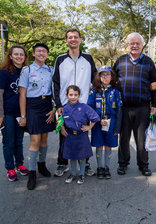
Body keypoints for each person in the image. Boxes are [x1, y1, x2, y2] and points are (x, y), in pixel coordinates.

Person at [52, 28, 97, 177]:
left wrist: (92, 100)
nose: (73, 39)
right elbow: (55, 83)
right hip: (64, 106)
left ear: (80, 40)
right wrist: (58, 104)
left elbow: (95, 80)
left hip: (83, 106)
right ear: (66, 41)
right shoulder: (60, 59)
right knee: (63, 133)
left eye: (75, 37)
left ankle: (85, 163)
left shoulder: (89, 58)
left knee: (83, 135)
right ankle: (62, 163)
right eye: (70, 37)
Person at [113, 32, 156, 176]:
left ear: (142, 45)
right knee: (124, 138)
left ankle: (143, 165)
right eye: (132, 43)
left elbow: (154, 85)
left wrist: (154, 104)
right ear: (127, 45)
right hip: (124, 107)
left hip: (142, 107)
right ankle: (123, 164)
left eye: (137, 43)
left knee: (141, 139)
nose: (134, 46)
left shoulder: (148, 62)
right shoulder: (120, 61)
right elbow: (112, 81)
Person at [19, 43, 56, 190]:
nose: (41, 53)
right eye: (38, 51)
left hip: (47, 104)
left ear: (47, 54)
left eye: (44, 51)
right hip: (32, 106)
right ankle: (32, 172)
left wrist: (54, 108)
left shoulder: (51, 70)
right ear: (33, 54)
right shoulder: (26, 70)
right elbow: (22, 94)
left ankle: (42, 165)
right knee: (35, 139)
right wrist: (23, 115)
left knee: (45, 138)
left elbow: (55, 90)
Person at [0, 45, 29, 181]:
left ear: (25, 57)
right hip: (7, 113)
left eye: (21, 54)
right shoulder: (3, 72)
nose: (19, 57)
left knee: (19, 141)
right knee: (9, 142)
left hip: (20, 113)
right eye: (16, 54)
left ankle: (19, 164)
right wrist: (0, 115)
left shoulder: (25, 72)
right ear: (10, 56)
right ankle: (10, 168)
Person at [87, 65, 122, 179]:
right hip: (98, 123)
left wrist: (117, 127)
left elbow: (119, 110)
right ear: (99, 77)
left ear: (111, 76)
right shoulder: (94, 91)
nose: (105, 77)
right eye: (103, 75)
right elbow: (90, 107)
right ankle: (99, 167)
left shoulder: (115, 91)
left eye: (108, 74)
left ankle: (106, 167)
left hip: (111, 123)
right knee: (99, 145)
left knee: (108, 145)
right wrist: (98, 119)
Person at [61, 85, 100, 184]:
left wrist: (89, 127)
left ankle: (82, 174)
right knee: (72, 156)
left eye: (75, 95)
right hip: (70, 135)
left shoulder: (84, 107)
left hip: (81, 135)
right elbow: (60, 120)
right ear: (67, 95)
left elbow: (95, 117)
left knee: (82, 156)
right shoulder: (65, 108)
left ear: (79, 96)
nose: (73, 97)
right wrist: (62, 129)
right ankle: (73, 174)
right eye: (71, 95)